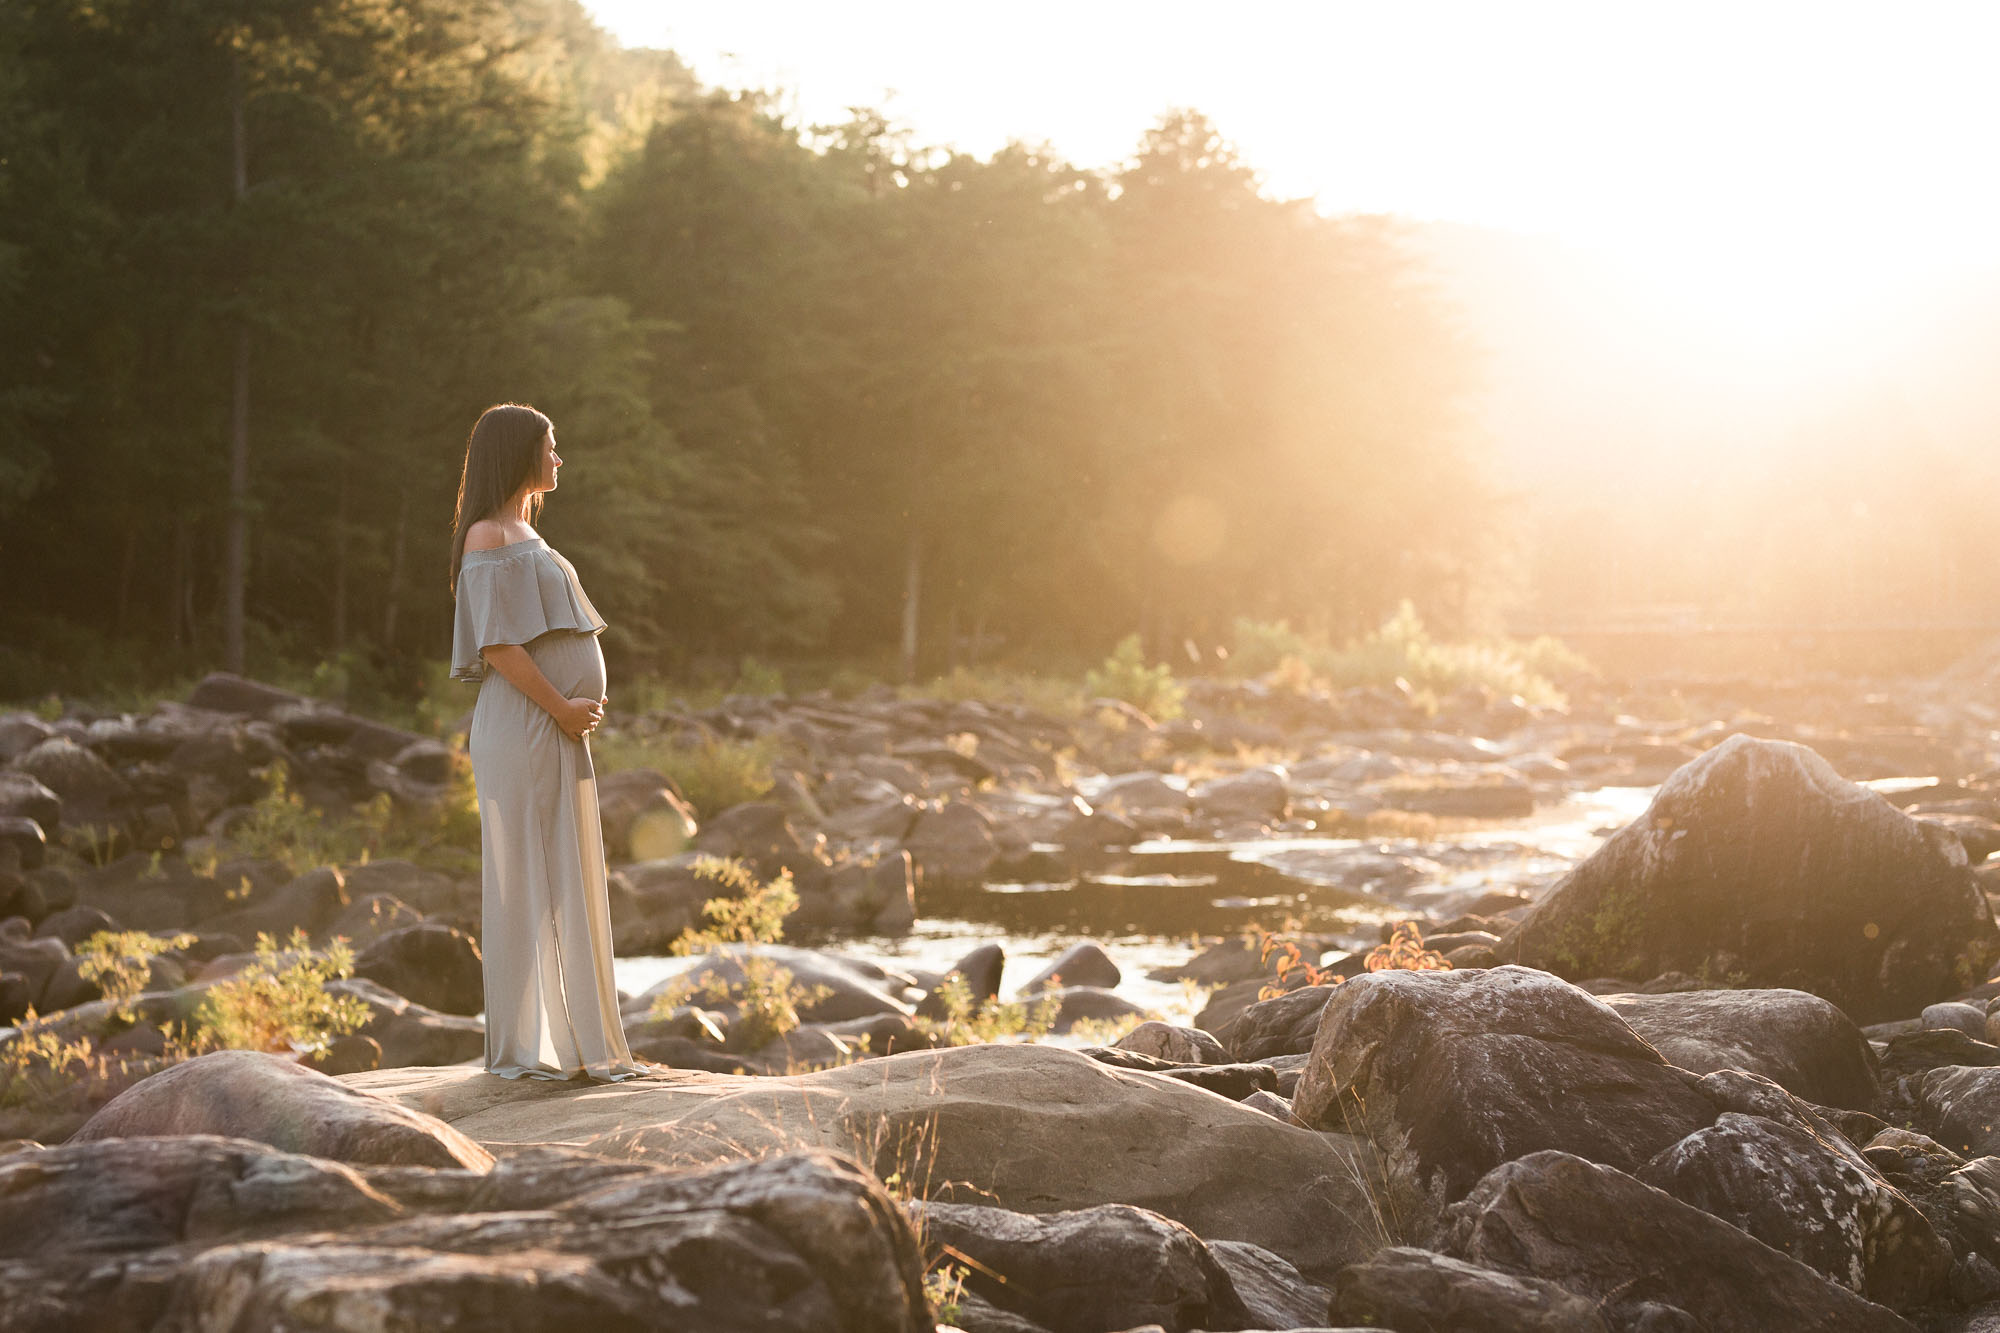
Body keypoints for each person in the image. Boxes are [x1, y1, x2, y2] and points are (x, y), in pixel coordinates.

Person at [448, 402, 645, 1081]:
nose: (559, 459)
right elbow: (499, 644)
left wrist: (568, 711)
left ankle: (579, 1042)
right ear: (519, 453)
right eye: (550, 447)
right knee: (530, 876)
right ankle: (531, 1050)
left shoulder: (522, 532)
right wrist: (562, 706)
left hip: (552, 726)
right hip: (528, 723)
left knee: (564, 871)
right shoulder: (487, 536)